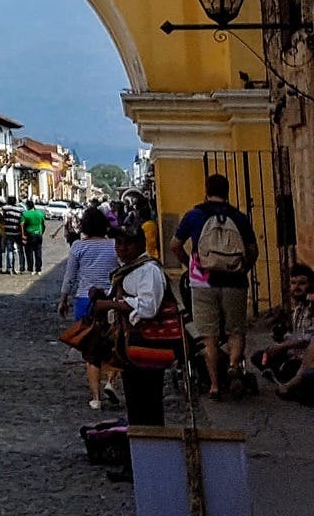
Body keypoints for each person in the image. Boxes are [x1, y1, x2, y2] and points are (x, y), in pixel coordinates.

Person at [171, 173, 260, 400]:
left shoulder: (194, 215)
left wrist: (190, 264)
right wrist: (241, 269)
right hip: (235, 282)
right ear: (227, 191)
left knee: (208, 336)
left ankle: (214, 385)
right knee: (235, 330)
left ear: (206, 190)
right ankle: (233, 366)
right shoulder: (239, 217)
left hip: (202, 283)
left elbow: (175, 245)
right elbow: (253, 251)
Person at [89, 228, 181, 428]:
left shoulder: (149, 270)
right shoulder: (128, 270)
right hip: (130, 345)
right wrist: (103, 296)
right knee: (135, 399)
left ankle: (152, 446)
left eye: (127, 244)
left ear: (140, 244)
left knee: (149, 399)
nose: (121, 249)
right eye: (118, 243)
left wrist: (111, 305)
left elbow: (148, 307)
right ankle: (140, 444)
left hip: (147, 342)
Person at [59, 206, 123, 410]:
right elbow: (122, 271)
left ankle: (95, 398)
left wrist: (63, 299)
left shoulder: (78, 247)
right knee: (116, 345)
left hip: (85, 301)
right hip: (111, 300)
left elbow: (70, 276)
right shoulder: (114, 245)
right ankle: (110, 382)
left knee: (91, 350)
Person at [252, 263, 314, 391]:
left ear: (310, 285)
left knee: (296, 371)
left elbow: (307, 340)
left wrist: (282, 346)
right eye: (293, 283)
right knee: (260, 357)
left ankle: (286, 378)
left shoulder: (311, 308)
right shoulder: (297, 309)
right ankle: (281, 374)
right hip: (293, 354)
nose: (296, 287)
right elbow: (296, 336)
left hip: (306, 360)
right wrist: (281, 341)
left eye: (302, 283)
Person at [0, 199, 24, 274]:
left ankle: (9, 268)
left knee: (9, 250)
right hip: (17, 232)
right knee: (20, 250)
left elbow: (0, 213)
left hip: (8, 232)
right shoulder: (20, 210)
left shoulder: (6, 209)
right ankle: (21, 267)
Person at [20, 200, 46, 274]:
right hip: (39, 234)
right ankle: (38, 269)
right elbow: (43, 224)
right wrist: (41, 232)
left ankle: (30, 269)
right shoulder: (40, 213)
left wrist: (23, 235)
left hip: (30, 234)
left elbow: (22, 225)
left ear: (27, 206)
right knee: (38, 252)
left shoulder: (25, 214)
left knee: (29, 252)